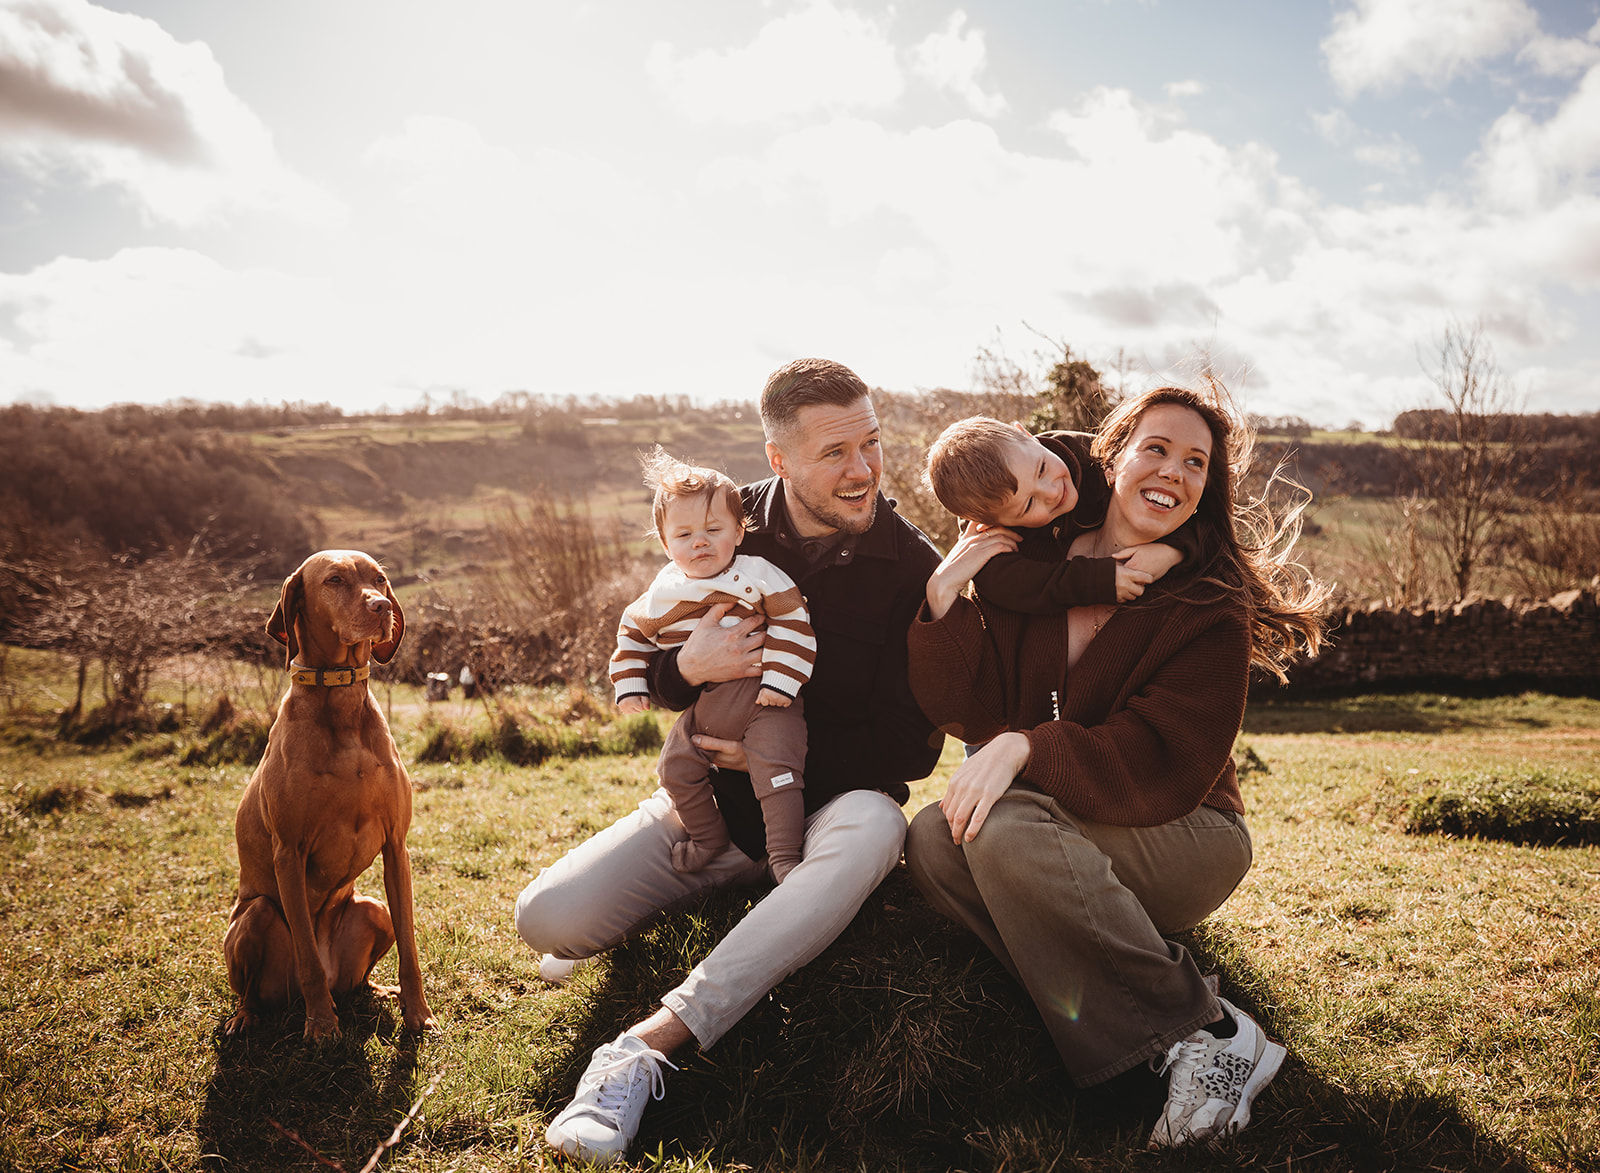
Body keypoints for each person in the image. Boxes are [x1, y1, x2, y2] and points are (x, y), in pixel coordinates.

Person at [515, 357, 943, 1165]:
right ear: (779, 460)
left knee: (880, 823)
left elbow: (911, 746)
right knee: (547, 918)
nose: (863, 471)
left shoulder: (911, 566)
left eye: (871, 444)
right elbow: (647, 654)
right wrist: (690, 671)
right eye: (835, 453)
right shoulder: (719, 520)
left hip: (832, 812)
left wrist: (771, 759)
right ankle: (725, 882)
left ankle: (644, 1046)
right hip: (710, 806)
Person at [903, 383, 1328, 1148]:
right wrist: (941, 595)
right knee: (935, 842)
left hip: (1186, 825)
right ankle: (1166, 1031)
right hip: (1059, 823)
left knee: (997, 830)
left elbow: (1164, 754)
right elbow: (964, 705)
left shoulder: (1207, 599)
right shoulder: (1032, 567)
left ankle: (1212, 1035)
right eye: (1156, 447)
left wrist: (1027, 745)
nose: (1174, 470)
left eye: (1196, 461)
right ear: (1115, 455)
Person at [609, 448, 816, 883]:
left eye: (713, 529)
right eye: (683, 535)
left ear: (739, 533)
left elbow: (794, 619)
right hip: (705, 710)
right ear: (665, 544)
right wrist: (630, 684)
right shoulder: (662, 594)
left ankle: (783, 854)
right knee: (674, 770)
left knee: (777, 771)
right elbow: (631, 633)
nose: (699, 541)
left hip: (765, 700)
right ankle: (707, 838)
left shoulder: (758, 574)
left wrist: (781, 680)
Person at [924, 415, 1198, 611]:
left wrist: (1173, 550)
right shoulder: (985, 519)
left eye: (1042, 469)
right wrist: (1094, 580)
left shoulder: (1096, 457)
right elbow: (1002, 585)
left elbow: (1196, 509)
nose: (1053, 492)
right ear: (990, 525)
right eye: (1030, 504)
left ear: (1026, 434)